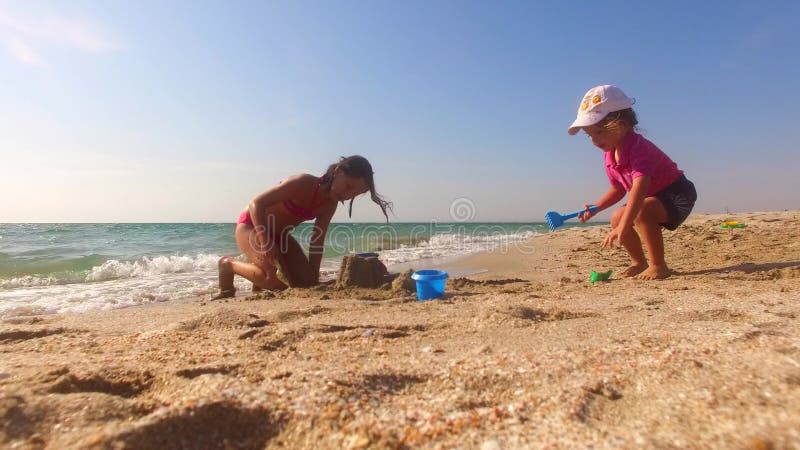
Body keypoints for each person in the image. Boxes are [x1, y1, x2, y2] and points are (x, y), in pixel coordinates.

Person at [213, 155, 391, 298]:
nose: (347, 194)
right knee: (271, 280)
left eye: (354, 193)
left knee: (306, 283)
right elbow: (256, 204)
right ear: (337, 171)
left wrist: (313, 278)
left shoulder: (329, 205)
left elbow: (317, 242)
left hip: (281, 236)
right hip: (252, 226)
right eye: (348, 186)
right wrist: (264, 239)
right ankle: (227, 265)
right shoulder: (302, 183)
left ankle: (258, 282)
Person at [568, 85, 697, 280]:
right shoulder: (610, 154)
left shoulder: (638, 148)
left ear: (621, 123)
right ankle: (639, 262)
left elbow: (639, 186)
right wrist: (597, 207)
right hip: (652, 197)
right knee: (616, 218)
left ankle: (658, 265)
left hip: (677, 194)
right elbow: (618, 189)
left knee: (640, 211)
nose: (594, 140)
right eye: (590, 135)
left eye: (600, 132)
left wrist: (625, 225)